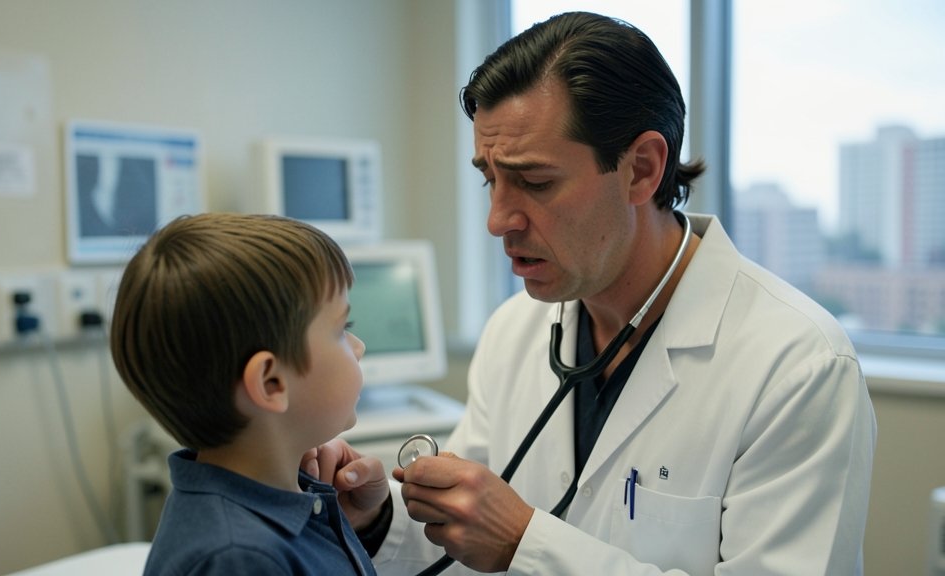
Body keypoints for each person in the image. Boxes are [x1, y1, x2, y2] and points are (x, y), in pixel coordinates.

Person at [304, 11, 877, 575]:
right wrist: (381, 517)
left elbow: (509, 538)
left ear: (643, 169)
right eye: (489, 179)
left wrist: (524, 547)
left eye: (535, 182)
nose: (498, 219)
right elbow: (464, 532)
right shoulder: (515, 331)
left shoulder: (798, 367)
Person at [110, 212, 380, 575]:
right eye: (341, 329)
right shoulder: (240, 559)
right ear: (271, 383)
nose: (358, 347)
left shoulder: (293, 496)